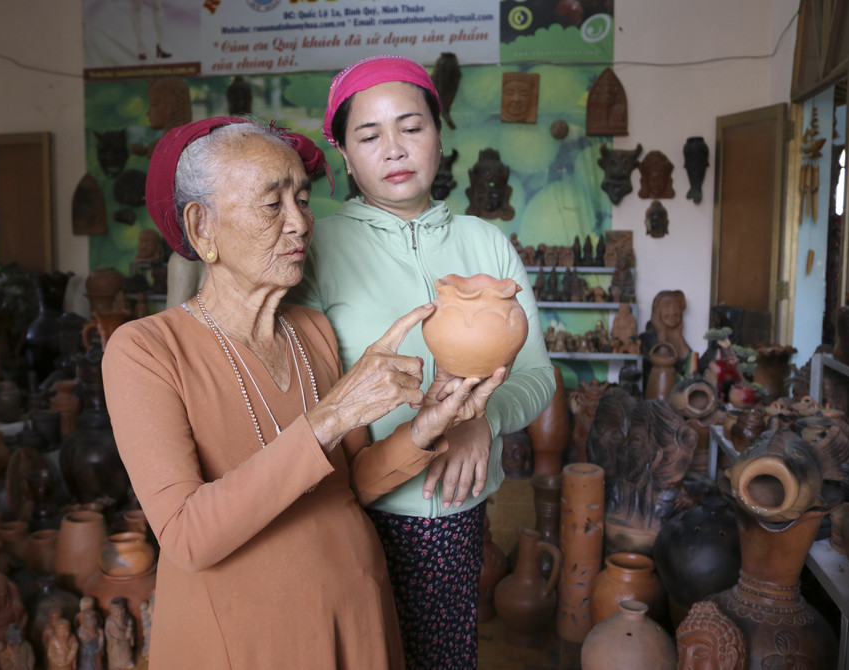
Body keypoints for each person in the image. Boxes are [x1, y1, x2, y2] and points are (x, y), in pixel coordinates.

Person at [101, 115, 504, 669]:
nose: (300, 223)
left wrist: (427, 426)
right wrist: (330, 416)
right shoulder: (145, 350)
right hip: (250, 643)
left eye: (303, 200)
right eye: (272, 205)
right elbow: (187, 536)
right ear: (202, 229)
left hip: (358, 614)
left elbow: (354, 483)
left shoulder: (310, 329)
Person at [288, 54, 555, 669]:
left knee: (441, 660)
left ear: (439, 133)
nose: (394, 148)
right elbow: (301, 391)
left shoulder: (486, 243)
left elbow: (539, 375)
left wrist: (480, 422)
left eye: (411, 127)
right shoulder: (315, 247)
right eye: (369, 134)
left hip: (452, 516)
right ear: (345, 155)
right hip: (351, 508)